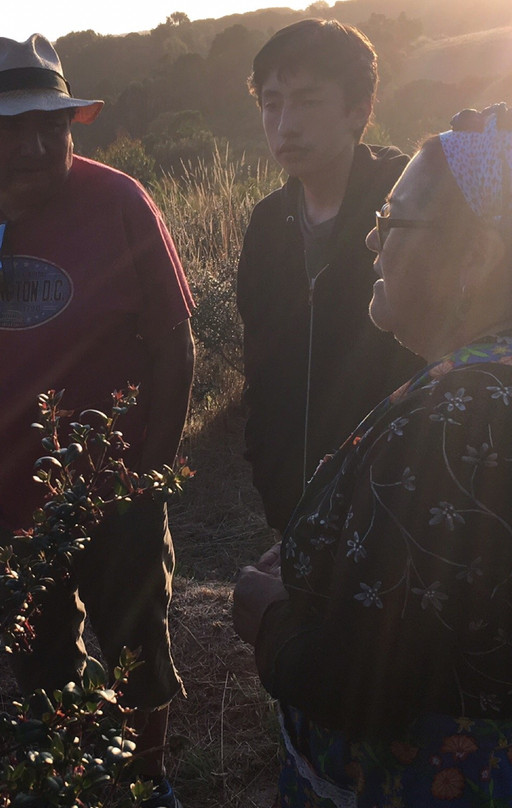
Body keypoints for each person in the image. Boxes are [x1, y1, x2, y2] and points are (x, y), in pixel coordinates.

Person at [0, 33, 194, 806]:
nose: (35, 145)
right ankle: (60, 775)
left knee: (137, 647)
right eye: (8, 127)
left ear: (72, 125)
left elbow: (175, 349)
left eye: (52, 125)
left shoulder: (122, 202)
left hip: (116, 493)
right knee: (35, 659)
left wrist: (147, 479)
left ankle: (148, 778)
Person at [234, 103, 512, 806]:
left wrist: (266, 614)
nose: (369, 241)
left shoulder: (459, 415)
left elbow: (371, 684)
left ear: (477, 256)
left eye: (391, 221)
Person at [237, 19, 423, 534]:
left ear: (358, 109)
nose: (286, 124)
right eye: (272, 104)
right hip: (293, 504)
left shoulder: (412, 211)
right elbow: (261, 368)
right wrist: (271, 477)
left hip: (404, 501)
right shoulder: (267, 225)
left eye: (308, 101)